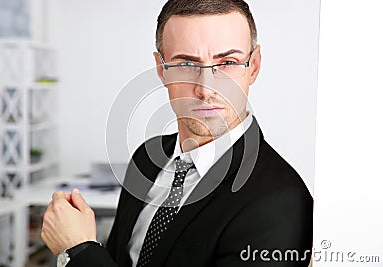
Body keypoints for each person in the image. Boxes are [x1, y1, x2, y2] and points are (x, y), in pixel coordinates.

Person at [41, 0, 313, 266]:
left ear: (253, 66)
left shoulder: (280, 203)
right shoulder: (147, 158)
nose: (206, 89)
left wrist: (78, 251)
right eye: (186, 64)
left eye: (228, 62)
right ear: (162, 69)